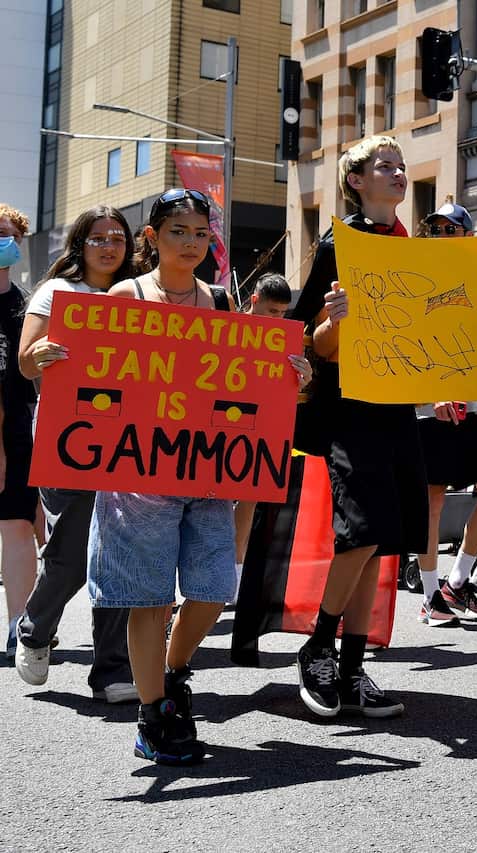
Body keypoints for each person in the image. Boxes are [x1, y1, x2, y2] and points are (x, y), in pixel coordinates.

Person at [87, 188, 310, 764]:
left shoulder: (218, 301)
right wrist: (52, 361)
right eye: (178, 231)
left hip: (207, 473)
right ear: (153, 238)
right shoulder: (126, 295)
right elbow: (98, 378)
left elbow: (236, 384)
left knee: (212, 591)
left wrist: (291, 376)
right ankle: (153, 713)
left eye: (200, 232)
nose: (191, 242)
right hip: (140, 473)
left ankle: (174, 672)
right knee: (149, 598)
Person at [290, 135, 477, 721]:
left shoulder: (416, 248)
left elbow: (439, 329)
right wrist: (333, 322)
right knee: (358, 532)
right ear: (355, 180)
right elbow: (311, 342)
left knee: (382, 539)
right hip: (350, 409)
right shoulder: (340, 244)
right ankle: (318, 648)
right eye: (385, 165)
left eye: (401, 166)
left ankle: (353, 667)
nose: (399, 172)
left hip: (400, 408)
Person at [14, 205, 136, 701]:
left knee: (120, 551)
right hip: (69, 436)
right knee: (70, 552)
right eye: (98, 238)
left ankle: (111, 670)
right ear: (80, 246)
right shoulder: (57, 292)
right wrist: (39, 355)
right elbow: (25, 363)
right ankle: (34, 627)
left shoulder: (138, 294)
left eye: (118, 239)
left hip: (129, 438)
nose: (109, 246)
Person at [409, 202, 477, 625]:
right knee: (431, 502)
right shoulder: (412, 276)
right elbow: (405, 341)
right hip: (430, 407)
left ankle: (458, 578)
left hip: (474, 400)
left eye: (454, 230)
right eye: (439, 229)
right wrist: (429, 395)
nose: (446, 236)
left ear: (467, 237)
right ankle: (431, 594)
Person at [231, 273, 294, 590]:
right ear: (254, 301)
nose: (279, 319)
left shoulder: (286, 338)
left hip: (261, 425)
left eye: (283, 313)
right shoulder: (228, 327)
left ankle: (236, 575)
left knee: (248, 501)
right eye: (273, 312)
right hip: (225, 423)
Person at [0, 203, 38, 664]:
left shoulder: (30, 305)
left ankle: (18, 626)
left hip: (20, 431)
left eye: (7, 234)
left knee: (17, 526)